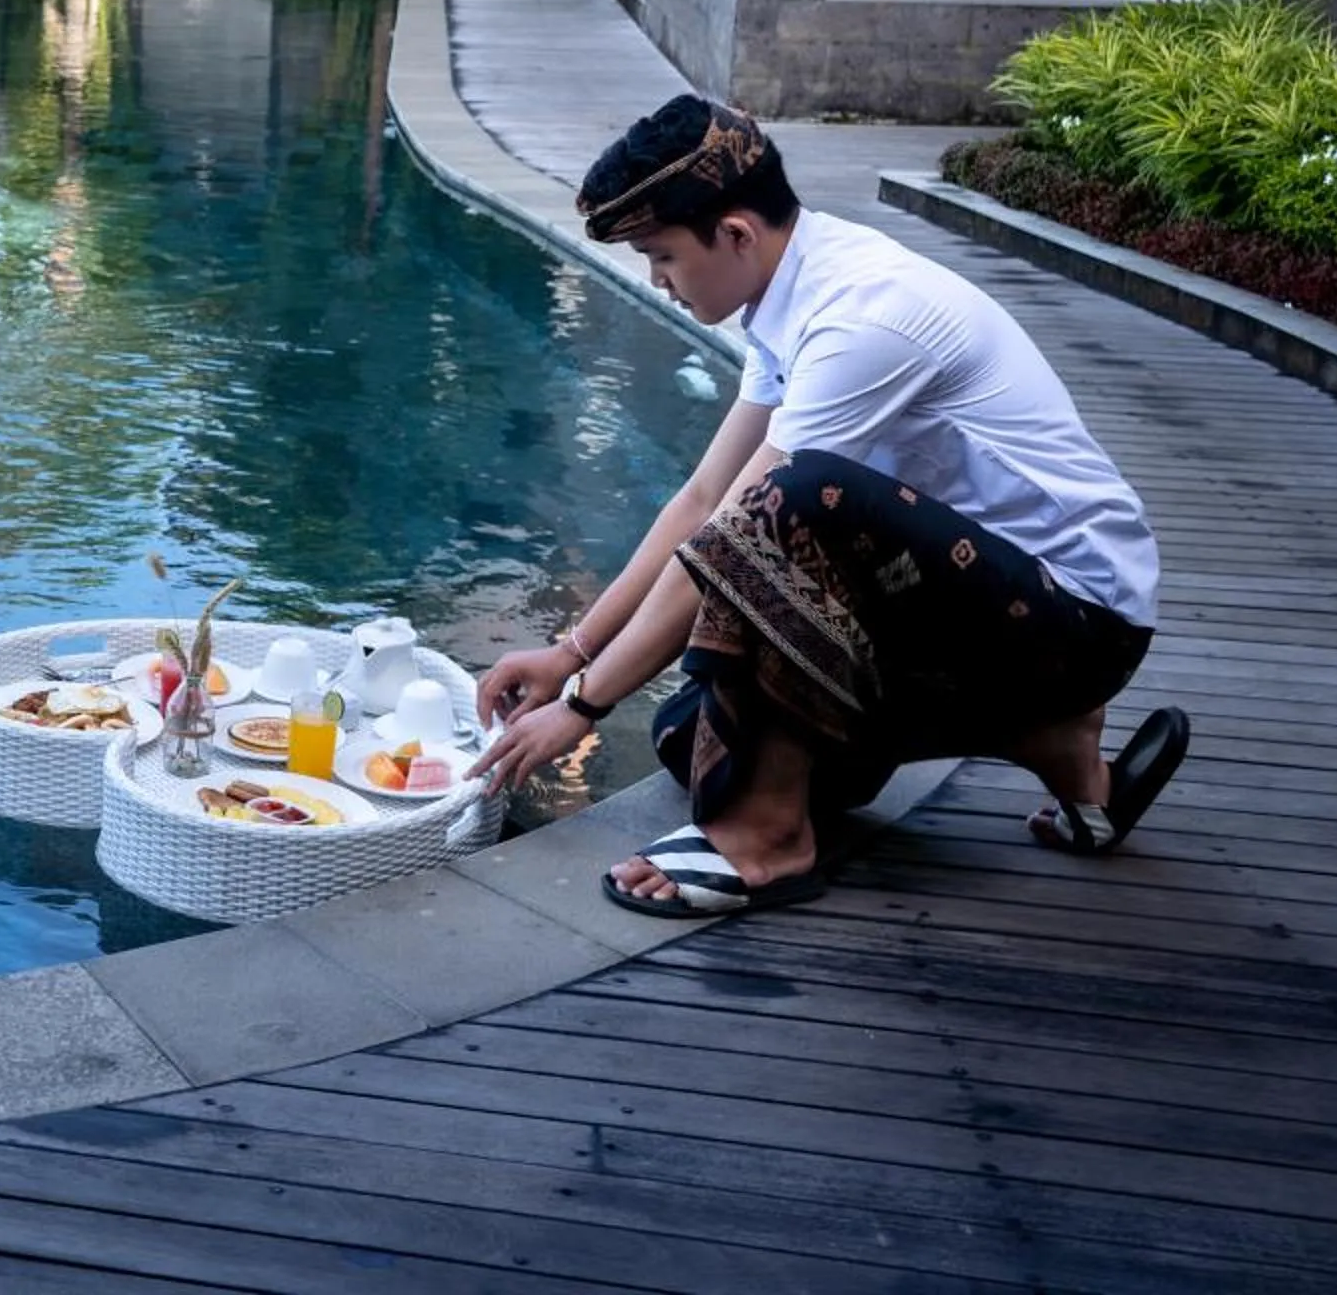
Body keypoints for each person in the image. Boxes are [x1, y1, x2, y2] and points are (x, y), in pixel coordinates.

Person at [469, 95, 1189, 917]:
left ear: (735, 233)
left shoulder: (861, 316)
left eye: (661, 257)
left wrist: (585, 706)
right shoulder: (792, 294)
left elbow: (740, 528)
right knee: (688, 735)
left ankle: (769, 839)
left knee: (796, 498)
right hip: (981, 610)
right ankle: (1053, 744)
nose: (658, 283)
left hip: (1077, 620)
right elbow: (702, 496)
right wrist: (573, 653)